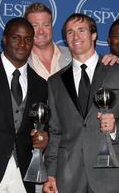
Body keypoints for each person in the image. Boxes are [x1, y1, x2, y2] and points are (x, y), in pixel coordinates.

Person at [43, 13, 119, 193]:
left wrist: (116, 127)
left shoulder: (116, 71)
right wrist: (51, 174)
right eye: (70, 32)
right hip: (69, 175)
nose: (75, 37)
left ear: (94, 35)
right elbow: (55, 132)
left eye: (81, 30)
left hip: (111, 173)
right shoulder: (55, 82)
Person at [0, 17, 48, 193]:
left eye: (28, 39)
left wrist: (43, 138)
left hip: (23, 175)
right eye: (15, 37)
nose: (22, 43)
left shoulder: (41, 84)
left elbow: (44, 126)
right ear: (4, 39)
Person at [0, 2, 118, 75]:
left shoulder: (74, 54)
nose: (41, 31)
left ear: (52, 26)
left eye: (46, 24)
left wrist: (115, 59)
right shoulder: (15, 60)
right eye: (34, 25)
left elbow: (96, 64)